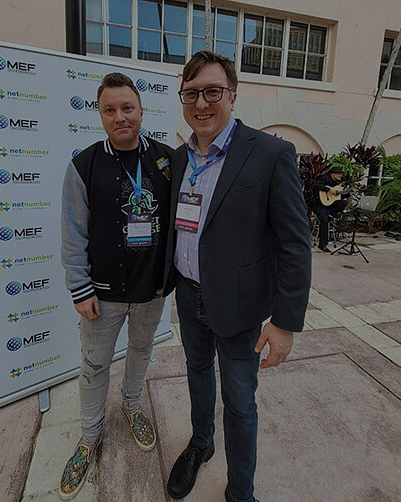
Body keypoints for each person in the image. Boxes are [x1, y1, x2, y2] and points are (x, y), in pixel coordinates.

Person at [163, 51, 312, 502]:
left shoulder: (270, 154)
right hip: (188, 295)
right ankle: (201, 443)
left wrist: (284, 322)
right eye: (191, 93)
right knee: (196, 372)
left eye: (212, 91)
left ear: (233, 95)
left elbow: (294, 243)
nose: (201, 103)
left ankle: (240, 492)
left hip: (241, 306)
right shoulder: (178, 159)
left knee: (241, 402)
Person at [59, 72, 173, 501]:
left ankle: (131, 406)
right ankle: (89, 437)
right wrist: (80, 287)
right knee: (94, 365)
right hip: (102, 294)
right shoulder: (84, 166)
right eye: (110, 110)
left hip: (152, 290)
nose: (120, 116)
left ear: (141, 110)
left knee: (141, 351)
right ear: (100, 114)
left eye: (127, 108)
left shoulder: (166, 160)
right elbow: (73, 232)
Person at [312, 166, 352, 252]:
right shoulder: (324, 179)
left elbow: (338, 196)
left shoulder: (337, 184)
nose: (340, 175)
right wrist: (328, 189)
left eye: (341, 174)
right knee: (324, 221)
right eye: (339, 174)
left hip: (330, 205)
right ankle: (322, 245)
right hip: (319, 204)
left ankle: (332, 214)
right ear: (332, 174)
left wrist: (349, 194)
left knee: (344, 202)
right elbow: (316, 186)